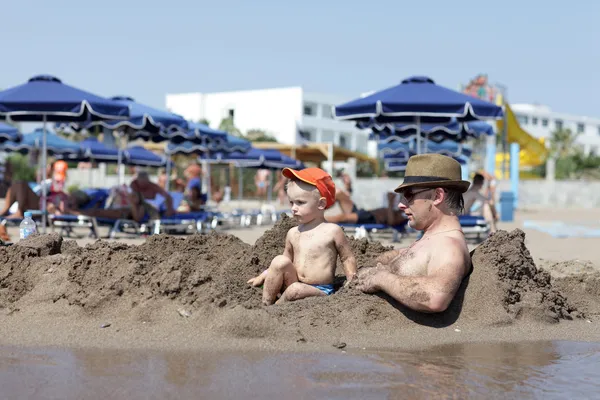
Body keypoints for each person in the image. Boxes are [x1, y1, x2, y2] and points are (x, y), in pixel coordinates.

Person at [355, 154, 472, 313]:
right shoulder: (435, 238)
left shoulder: (449, 245)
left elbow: (435, 297)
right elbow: (406, 254)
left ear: (437, 196)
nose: (402, 205)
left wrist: (381, 278)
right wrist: (372, 266)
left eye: (409, 195)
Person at [247, 167, 357, 305]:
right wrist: (262, 276)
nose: (293, 208)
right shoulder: (293, 233)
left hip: (321, 290)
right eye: (291, 202)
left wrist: (352, 282)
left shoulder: (332, 231)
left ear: (321, 204)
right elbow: (283, 263)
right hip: (294, 282)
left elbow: (347, 257)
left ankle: (276, 307)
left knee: (294, 290)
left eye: (300, 202)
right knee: (279, 260)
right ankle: (266, 303)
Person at [326, 190, 407, 226]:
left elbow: (391, 222)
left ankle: (317, 220)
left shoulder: (405, 214)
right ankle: (319, 208)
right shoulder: (398, 208)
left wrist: (390, 202)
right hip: (365, 213)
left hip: (370, 218)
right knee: (339, 193)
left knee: (342, 217)